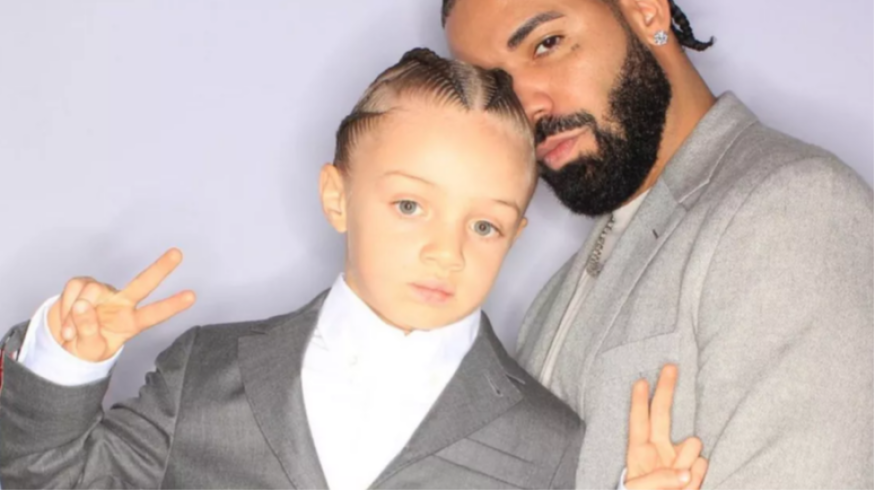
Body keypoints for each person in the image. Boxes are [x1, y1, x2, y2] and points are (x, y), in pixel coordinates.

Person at [0, 49, 706, 490]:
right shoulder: (203, 371)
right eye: (410, 205)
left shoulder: (547, 439)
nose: (446, 251)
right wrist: (66, 363)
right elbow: (44, 479)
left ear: (515, 236)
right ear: (337, 197)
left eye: (484, 225)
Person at [442, 0, 875, 489]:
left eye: (547, 44)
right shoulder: (550, 303)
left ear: (647, 12)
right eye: (498, 90)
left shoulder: (795, 207)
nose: (528, 109)